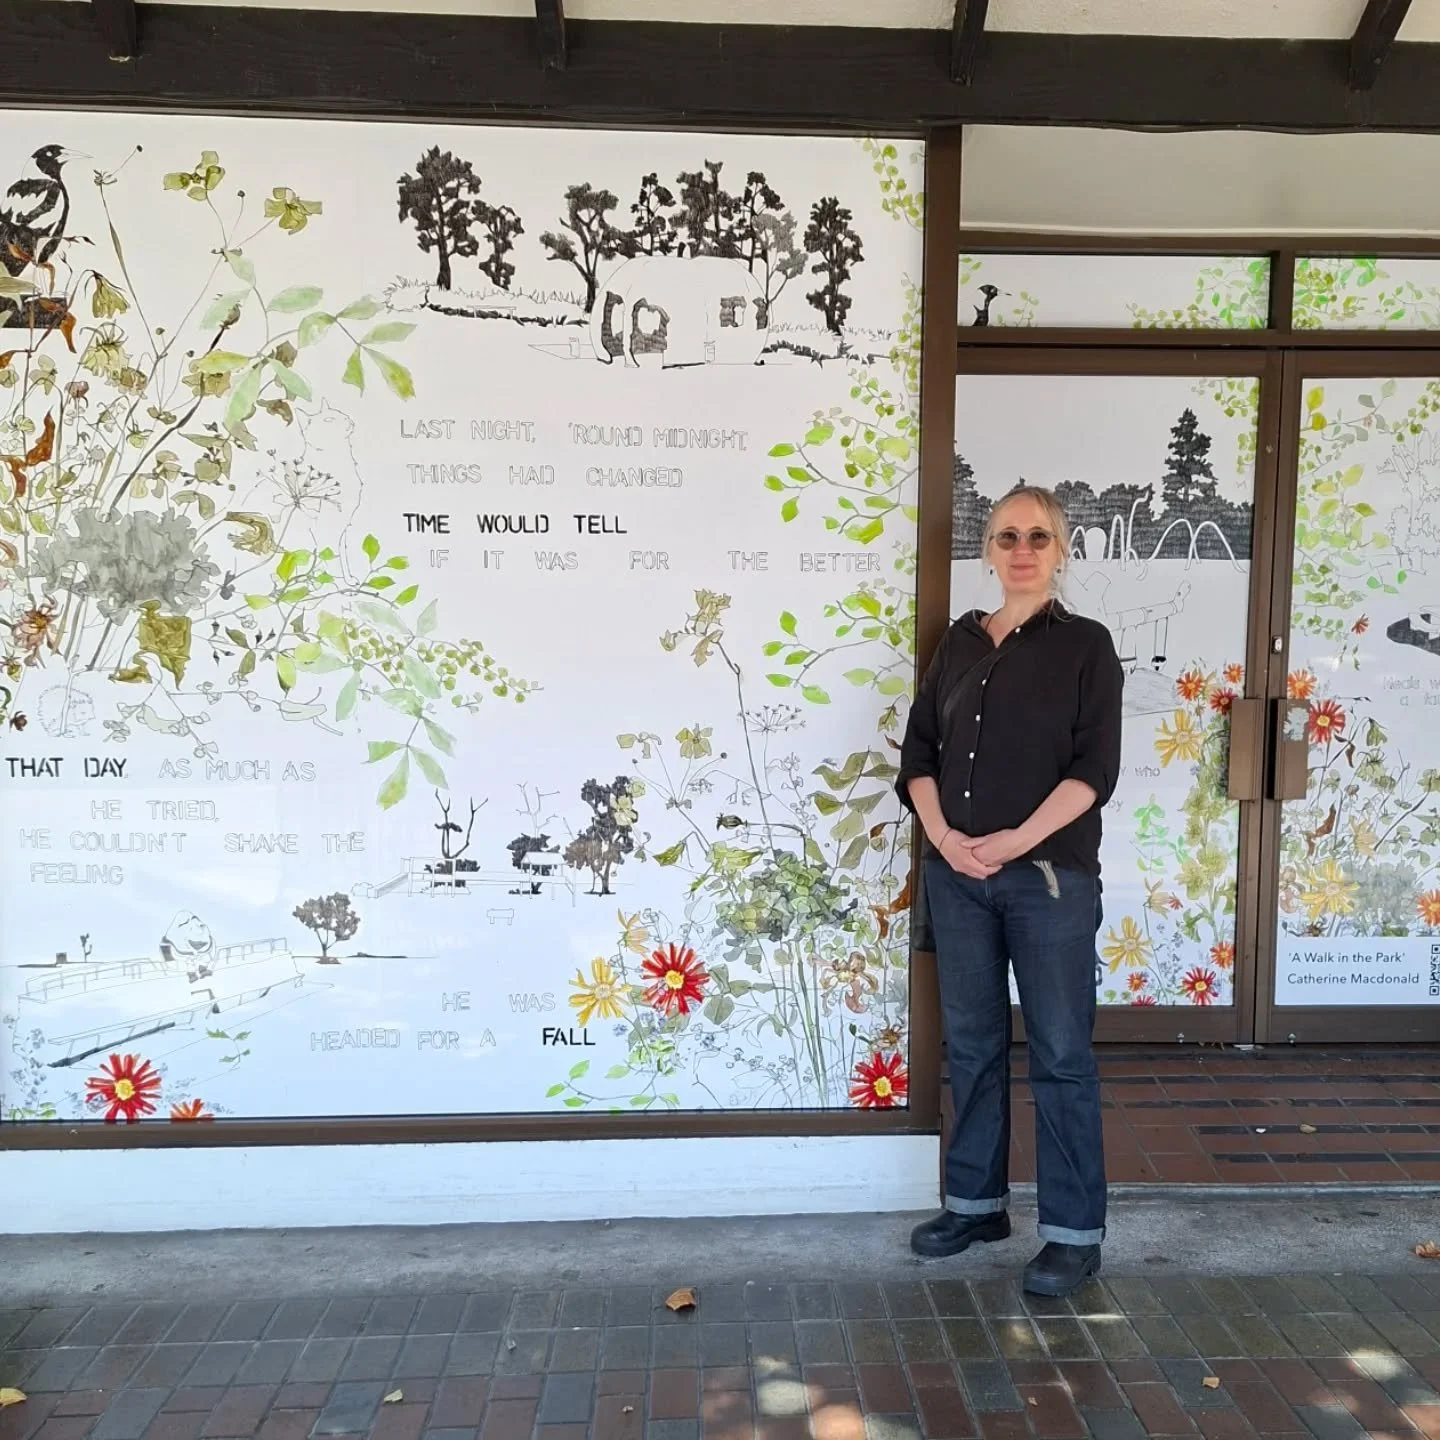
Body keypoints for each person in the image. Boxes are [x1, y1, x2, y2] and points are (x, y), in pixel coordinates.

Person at [897, 484, 1124, 1298]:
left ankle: (1073, 1235)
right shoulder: (958, 644)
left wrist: (1014, 842)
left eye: (1037, 536)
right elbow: (919, 754)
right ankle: (975, 1205)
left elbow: (1094, 771)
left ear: (1059, 550)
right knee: (971, 1045)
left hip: (1047, 879)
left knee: (1060, 1054)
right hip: (958, 877)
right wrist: (947, 841)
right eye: (1006, 536)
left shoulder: (1086, 646)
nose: (1021, 550)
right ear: (988, 550)